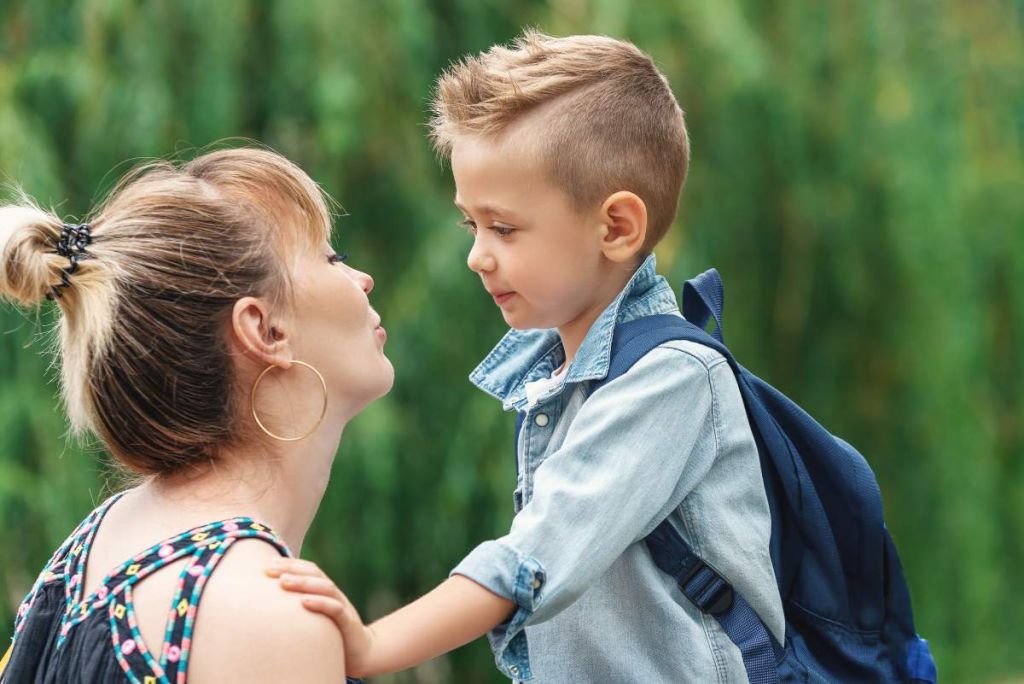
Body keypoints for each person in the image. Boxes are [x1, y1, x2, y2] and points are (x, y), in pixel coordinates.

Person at [273, 31, 785, 683]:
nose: (477, 255)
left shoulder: (672, 378)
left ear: (617, 227)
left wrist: (372, 646)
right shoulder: (557, 379)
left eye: (505, 228)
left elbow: (536, 556)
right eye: (471, 224)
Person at [0, 147, 393, 682]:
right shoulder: (264, 617)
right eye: (332, 258)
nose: (363, 278)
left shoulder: (92, 547)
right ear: (265, 330)